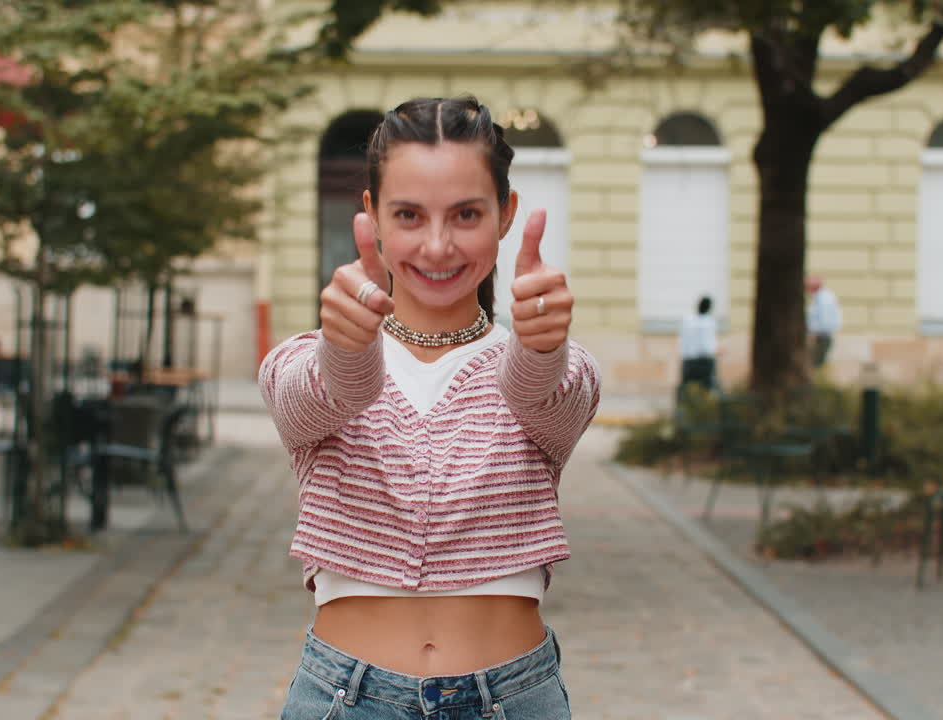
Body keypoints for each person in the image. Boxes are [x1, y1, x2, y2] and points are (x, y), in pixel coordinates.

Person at [260, 96, 600, 719]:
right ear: (373, 217)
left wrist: (538, 346)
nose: (438, 246)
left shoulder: (559, 366)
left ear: (506, 215)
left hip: (514, 699)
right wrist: (349, 348)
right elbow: (328, 395)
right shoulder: (304, 361)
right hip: (347, 701)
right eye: (409, 215)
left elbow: (540, 396)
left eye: (466, 214)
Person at [678, 295, 718, 393]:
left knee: (685, 386)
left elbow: (683, 340)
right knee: (708, 387)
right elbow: (708, 344)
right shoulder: (709, 322)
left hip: (689, 360)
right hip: (705, 361)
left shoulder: (688, 320)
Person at [806, 276, 842, 369]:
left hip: (822, 336)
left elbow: (825, 321)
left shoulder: (824, 299)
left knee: (816, 365)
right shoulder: (819, 297)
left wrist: (813, 333)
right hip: (820, 336)